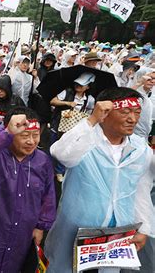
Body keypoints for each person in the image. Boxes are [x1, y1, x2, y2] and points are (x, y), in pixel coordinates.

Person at [46, 87, 154, 272]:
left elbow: (141, 190)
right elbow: (61, 153)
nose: (133, 119)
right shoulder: (86, 140)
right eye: (125, 112)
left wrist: (144, 228)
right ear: (105, 111)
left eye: (137, 112)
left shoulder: (140, 150)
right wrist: (91, 121)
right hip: (75, 232)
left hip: (116, 238)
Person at [0, 106, 56, 273]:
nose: (31, 141)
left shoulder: (42, 161)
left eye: (35, 135)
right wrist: (5, 133)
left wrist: (40, 226)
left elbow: (48, 196)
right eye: (24, 136)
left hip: (24, 232)